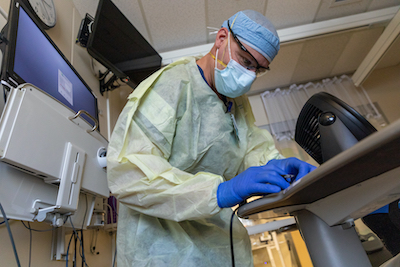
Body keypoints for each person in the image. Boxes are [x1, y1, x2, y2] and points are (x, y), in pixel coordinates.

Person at [107, 10, 316, 267]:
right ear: (221, 38)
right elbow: (128, 174)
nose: (249, 74)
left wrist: (276, 166)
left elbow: (251, 149)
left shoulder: (236, 103)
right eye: (246, 60)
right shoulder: (172, 86)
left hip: (218, 247)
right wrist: (220, 191)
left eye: (259, 69)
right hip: (162, 251)